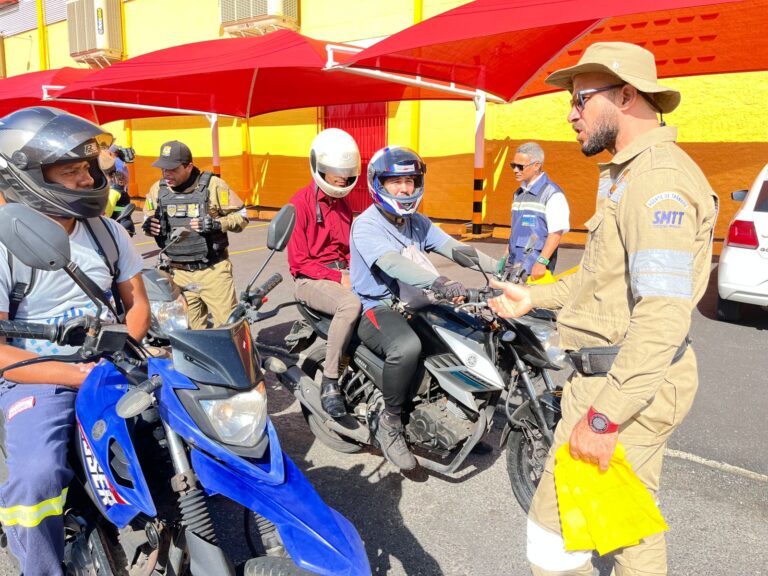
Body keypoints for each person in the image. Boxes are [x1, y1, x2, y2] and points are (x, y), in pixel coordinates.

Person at [488, 42, 719, 576]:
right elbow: (599, 282)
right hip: (614, 376)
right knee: (626, 524)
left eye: (580, 99)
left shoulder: (657, 182)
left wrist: (601, 416)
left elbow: (661, 318)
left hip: (623, 384)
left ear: (627, 95)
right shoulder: (627, 175)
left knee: (555, 534)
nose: (570, 113)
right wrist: (534, 296)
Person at [0, 106, 150, 575]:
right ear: (27, 177)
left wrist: (124, 346)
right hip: (38, 378)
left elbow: (137, 303)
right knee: (36, 476)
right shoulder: (5, 244)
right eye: (72, 171)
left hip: (111, 367)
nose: (88, 180)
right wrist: (74, 373)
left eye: (87, 168)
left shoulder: (107, 231)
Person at [350, 146, 498, 471]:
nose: (404, 189)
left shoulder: (417, 222)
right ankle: (390, 424)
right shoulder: (367, 224)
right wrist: (439, 282)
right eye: (395, 182)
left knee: (468, 333)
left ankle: (460, 422)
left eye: (410, 181)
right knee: (407, 347)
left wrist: (501, 266)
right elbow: (392, 264)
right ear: (379, 184)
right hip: (375, 306)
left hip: (413, 301)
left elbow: (457, 249)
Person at [287, 128, 362, 419]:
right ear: (319, 168)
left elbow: (348, 250)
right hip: (310, 280)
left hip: (340, 275)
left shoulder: (343, 204)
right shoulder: (299, 203)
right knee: (350, 304)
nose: (342, 177)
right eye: (335, 171)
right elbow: (299, 262)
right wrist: (337, 278)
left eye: (347, 171)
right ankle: (330, 381)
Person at [142, 140, 248, 329]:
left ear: (188, 167)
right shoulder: (157, 190)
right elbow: (147, 216)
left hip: (213, 272)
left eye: (172, 169)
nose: (167, 174)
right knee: (188, 334)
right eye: (163, 169)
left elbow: (242, 216)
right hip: (177, 273)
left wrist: (216, 224)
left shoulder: (213, 186)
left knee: (228, 329)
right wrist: (148, 225)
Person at [506, 142, 570, 281]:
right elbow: (515, 231)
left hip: (534, 270)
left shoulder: (552, 194)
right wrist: (505, 258)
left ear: (536, 165)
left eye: (520, 166)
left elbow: (556, 233)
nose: (515, 170)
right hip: (514, 268)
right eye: (513, 165)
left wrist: (542, 262)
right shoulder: (518, 194)